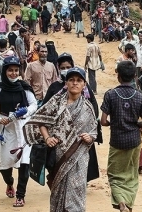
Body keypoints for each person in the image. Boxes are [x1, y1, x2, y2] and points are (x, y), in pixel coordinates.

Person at [24, 67, 97, 212]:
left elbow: (94, 130)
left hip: (79, 155)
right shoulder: (56, 101)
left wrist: (90, 137)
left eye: (78, 80)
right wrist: (47, 137)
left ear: (84, 85)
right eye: (71, 80)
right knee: (59, 191)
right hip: (59, 155)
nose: (74, 83)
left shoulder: (88, 107)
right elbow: (39, 119)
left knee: (77, 189)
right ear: (66, 83)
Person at [100, 60, 142, 212]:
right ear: (134, 76)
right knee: (131, 177)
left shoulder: (110, 94)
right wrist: (134, 123)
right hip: (134, 142)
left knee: (114, 176)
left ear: (118, 75)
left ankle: (122, 206)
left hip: (117, 141)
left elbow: (103, 121)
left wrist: (116, 122)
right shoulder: (139, 96)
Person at [0, 56, 37, 207]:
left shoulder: (24, 87)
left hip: (23, 129)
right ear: (5, 71)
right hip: (6, 130)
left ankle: (21, 196)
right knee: (5, 165)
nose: (14, 73)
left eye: (16, 70)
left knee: (24, 163)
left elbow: (34, 104)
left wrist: (24, 113)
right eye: (10, 70)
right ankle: (9, 182)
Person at [43, 53, 100, 183]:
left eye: (68, 67)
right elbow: (43, 116)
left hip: (80, 142)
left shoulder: (86, 95)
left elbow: (94, 110)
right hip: (60, 145)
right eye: (62, 67)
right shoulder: (55, 90)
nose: (75, 83)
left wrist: (87, 128)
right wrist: (48, 136)